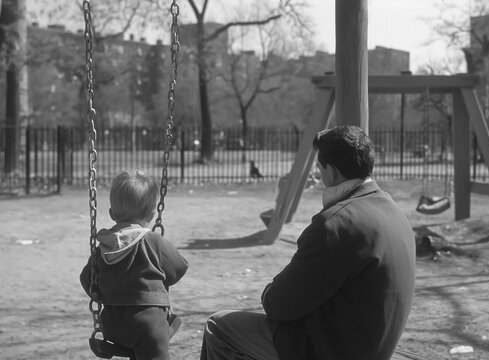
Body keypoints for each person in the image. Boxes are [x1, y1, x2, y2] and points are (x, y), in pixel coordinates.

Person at [200, 125, 416, 360]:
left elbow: (279, 305)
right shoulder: (394, 211)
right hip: (375, 344)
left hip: (334, 349)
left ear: (331, 172)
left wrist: (271, 292)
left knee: (218, 326)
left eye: (319, 168)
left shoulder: (335, 224)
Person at [80, 169, 189, 360]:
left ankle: (128, 349)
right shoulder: (153, 241)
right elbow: (179, 268)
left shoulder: (102, 247)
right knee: (152, 346)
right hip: (149, 326)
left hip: (112, 325)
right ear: (152, 213)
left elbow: (87, 280)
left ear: (112, 213)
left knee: (137, 346)